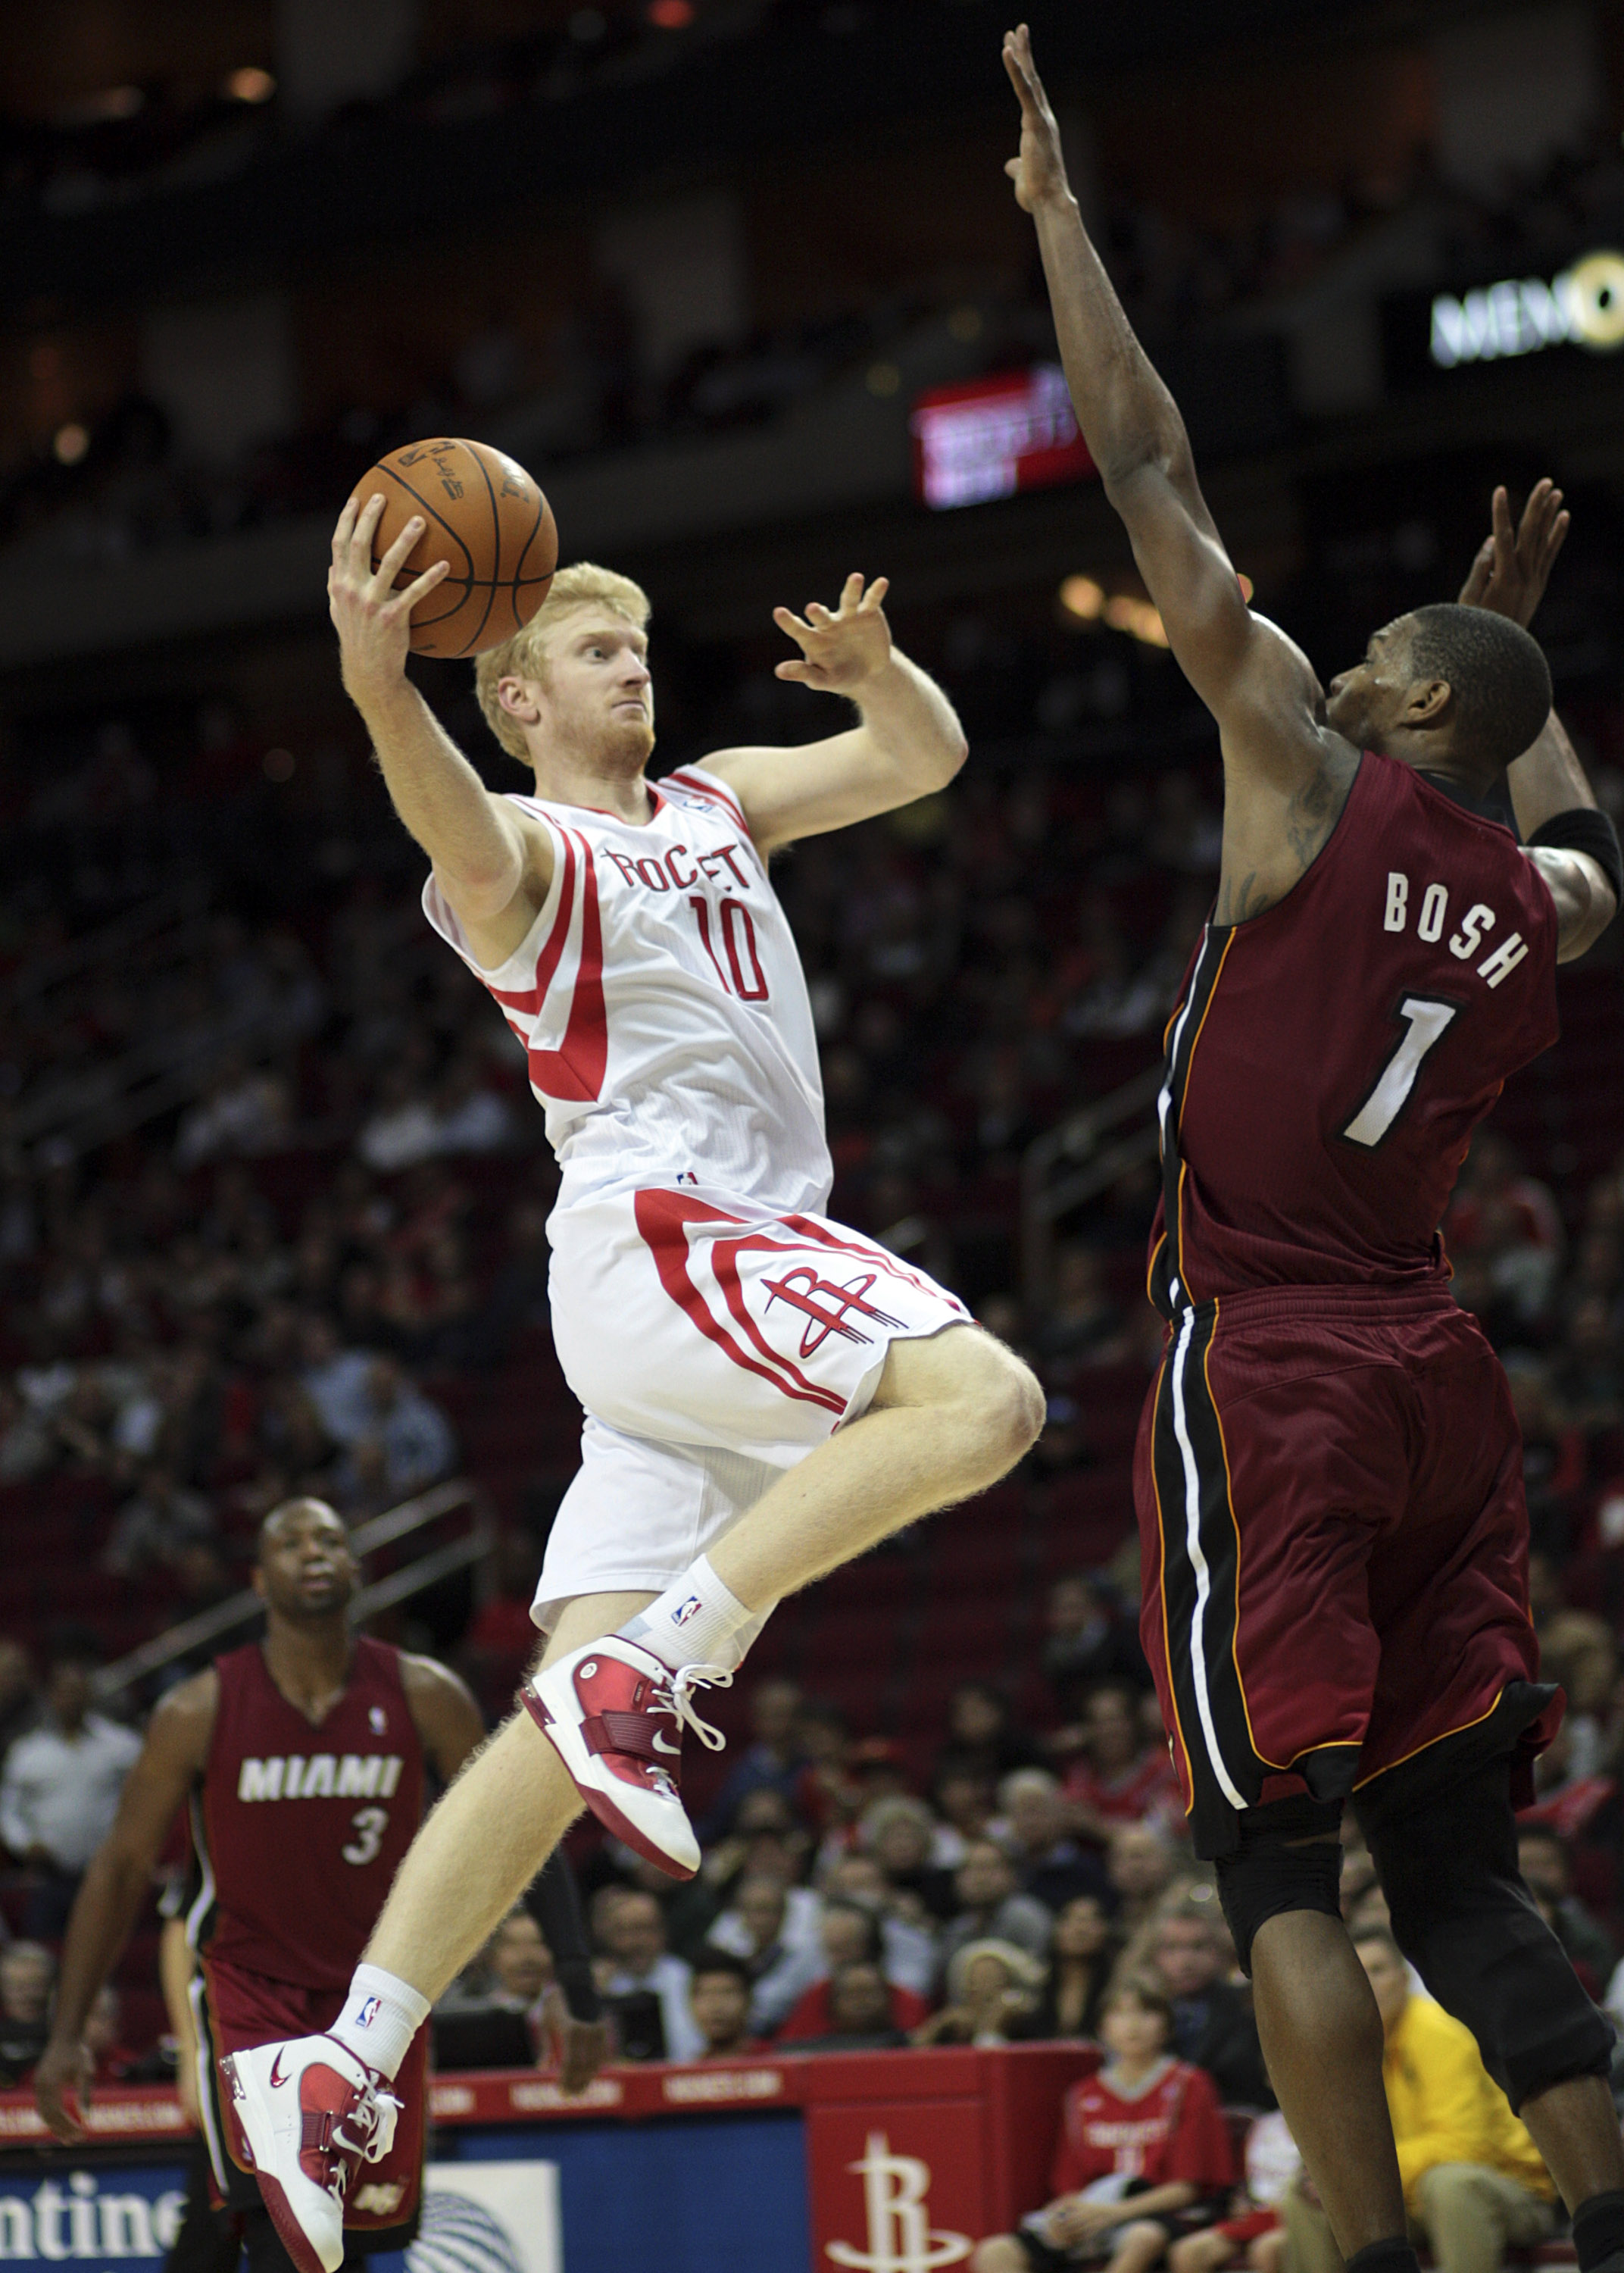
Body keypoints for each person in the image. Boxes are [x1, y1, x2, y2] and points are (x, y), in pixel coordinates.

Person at [236, 452, 1044, 2270]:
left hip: (695, 1289)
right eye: (592, 646)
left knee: (554, 1703)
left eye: (636, 642)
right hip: (673, 1236)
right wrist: (380, 689)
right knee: (984, 1399)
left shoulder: (718, 801)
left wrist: (878, 679)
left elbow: (924, 761)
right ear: (512, 689)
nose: (630, 666)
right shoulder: (532, 855)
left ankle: (341, 2062)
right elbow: (452, 824)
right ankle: (660, 1678)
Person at [1005, 29, 1623, 2273]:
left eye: (1383, 649)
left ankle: (1365, 2264)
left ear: (1402, 709)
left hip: (1270, 1355)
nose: (1343, 655)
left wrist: (1058, 215)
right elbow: (1589, 863)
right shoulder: (1530, 896)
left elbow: (1147, 458)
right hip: (1440, 1368)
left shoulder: (1291, 756)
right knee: (1461, 1868)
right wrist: (1518, 691)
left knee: (1271, 1864)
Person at [34, 1502, 503, 2273]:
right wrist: (68, 2034)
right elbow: (123, 1871)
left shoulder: (419, 1693)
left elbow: (504, 1822)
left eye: (330, 1539)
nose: (313, 1552)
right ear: (257, 1578)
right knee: (277, 2231)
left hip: (372, 2004)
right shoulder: (199, 1710)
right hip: (249, 2003)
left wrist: (572, 1979)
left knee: (342, 2242)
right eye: (290, 1542)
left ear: (356, 1566)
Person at [1282, 1930, 1557, 2273]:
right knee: (1307, 2196)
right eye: (1355, 1973)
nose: (1367, 1984)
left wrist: (1363, 2172)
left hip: (1511, 2190)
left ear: (1404, 1976)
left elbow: (1466, 2145)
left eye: (1378, 1970)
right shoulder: (1345, 2046)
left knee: (1448, 2184)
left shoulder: (1438, 2034)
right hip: (1410, 2197)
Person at [972, 1974, 1235, 2273]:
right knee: (994, 2253)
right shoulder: (1082, 2095)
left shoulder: (1189, 2084)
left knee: (1141, 2238)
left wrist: (1114, 2213)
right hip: (1097, 2211)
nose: (1132, 2025)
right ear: (1102, 2028)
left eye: (1146, 2012)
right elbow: (1070, 2187)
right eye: (1119, 2013)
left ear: (1166, 2026)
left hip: (1160, 2214)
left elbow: (1186, 2189)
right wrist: (1068, 2217)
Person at [0, 1634, 142, 1937]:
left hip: (106, 1870)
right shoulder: (28, 1752)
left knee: (108, 1947)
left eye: (78, 1692)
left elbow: (146, 1796)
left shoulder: (120, 1745)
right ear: (51, 1697)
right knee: (45, 1945)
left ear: (89, 1695)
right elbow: (8, 1810)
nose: (71, 1699)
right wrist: (25, 1845)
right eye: (64, 1692)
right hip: (49, 1876)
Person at [1150, 1903, 1272, 2109]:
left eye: (1198, 1947)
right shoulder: (1146, 2014)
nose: (1185, 1961)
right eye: (1172, 1948)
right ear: (1156, 1956)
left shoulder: (1250, 2009)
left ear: (1220, 1952)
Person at [596, 1887, 703, 2064]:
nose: (637, 1941)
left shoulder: (686, 1978)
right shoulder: (599, 1983)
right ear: (608, 1936)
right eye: (625, 1931)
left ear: (663, 1932)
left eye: (645, 1929)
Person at [938, 1837, 1054, 1982]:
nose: (979, 1878)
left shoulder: (1025, 1916)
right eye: (969, 1869)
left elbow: (1037, 1979)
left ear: (1012, 1875)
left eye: (988, 1868)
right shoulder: (957, 1930)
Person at [1021, 1894, 1122, 2043]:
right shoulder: (1034, 1983)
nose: (1080, 1929)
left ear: (1105, 1929)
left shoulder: (1118, 1985)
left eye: (1091, 1920)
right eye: (1070, 1919)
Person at [686, 1950, 764, 2062]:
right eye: (705, 1994)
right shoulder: (687, 2072)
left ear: (749, 2000)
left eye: (727, 1992)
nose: (716, 2006)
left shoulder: (776, 2061)